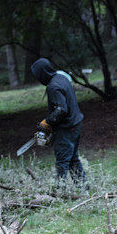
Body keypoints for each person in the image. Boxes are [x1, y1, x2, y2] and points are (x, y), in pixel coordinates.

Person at [30, 57, 87, 186]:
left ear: (42, 74)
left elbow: (61, 110)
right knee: (72, 158)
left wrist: (47, 122)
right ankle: (82, 186)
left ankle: (59, 190)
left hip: (68, 127)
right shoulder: (61, 78)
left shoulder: (53, 87)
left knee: (62, 161)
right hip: (76, 123)